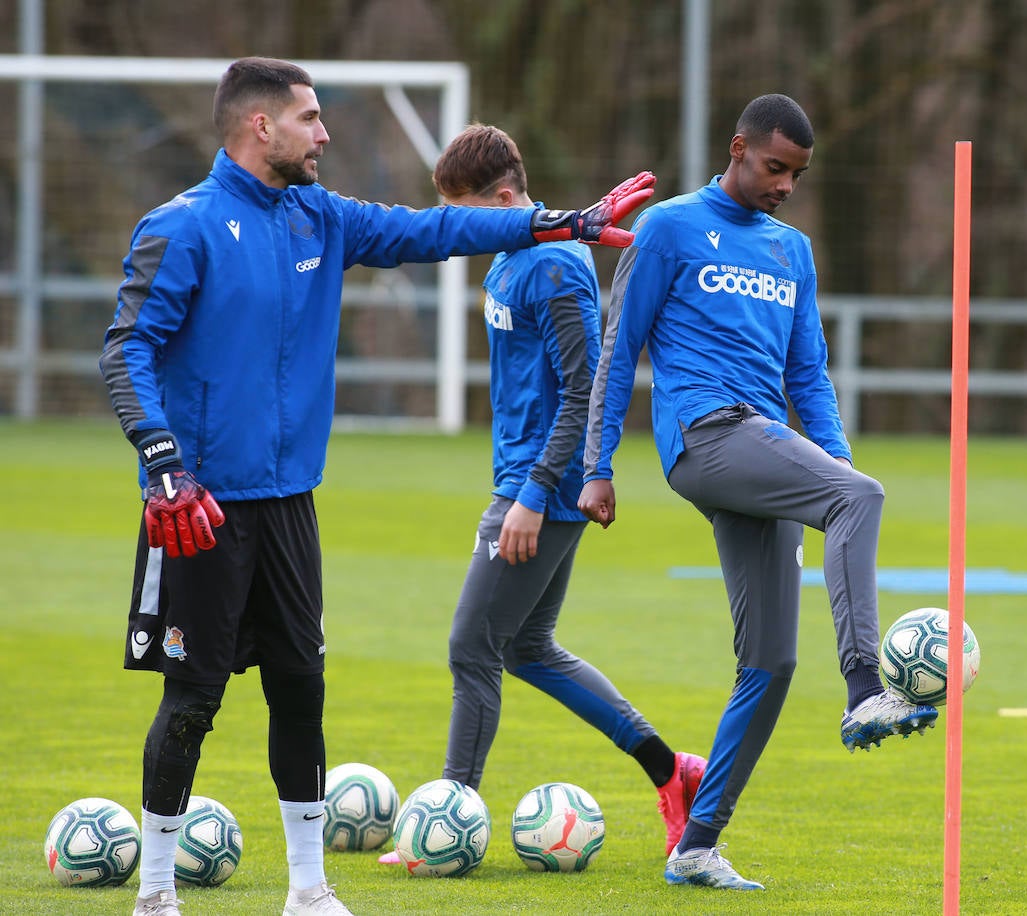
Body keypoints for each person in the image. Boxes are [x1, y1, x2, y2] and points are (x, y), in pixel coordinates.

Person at [98, 57, 651, 916]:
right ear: (259, 127)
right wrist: (163, 459)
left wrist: (559, 224)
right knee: (193, 699)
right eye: (311, 119)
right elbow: (125, 348)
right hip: (198, 507)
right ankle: (157, 894)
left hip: (290, 504)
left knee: (302, 690)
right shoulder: (183, 227)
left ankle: (309, 892)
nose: (324, 134)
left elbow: (435, 232)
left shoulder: (323, 218)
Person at [577, 93, 937, 892]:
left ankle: (697, 844)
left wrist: (831, 473)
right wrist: (597, 466)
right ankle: (865, 689)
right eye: (775, 168)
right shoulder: (670, 227)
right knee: (863, 497)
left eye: (797, 175)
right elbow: (617, 347)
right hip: (704, 435)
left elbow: (808, 375)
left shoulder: (793, 250)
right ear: (738, 148)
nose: (785, 185)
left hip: (763, 442)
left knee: (770, 662)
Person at [372, 123, 704, 868]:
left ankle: (447, 823)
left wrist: (532, 493)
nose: (463, 230)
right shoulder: (514, 253)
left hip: (539, 491)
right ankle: (671, 770)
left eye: (468, 212)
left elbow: (585, 389)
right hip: (522, 481)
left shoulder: (555, 269)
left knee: (472, 646)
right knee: (527, 647)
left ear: (505, 197)